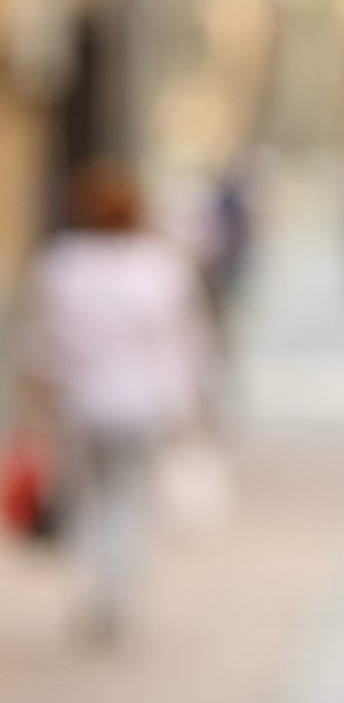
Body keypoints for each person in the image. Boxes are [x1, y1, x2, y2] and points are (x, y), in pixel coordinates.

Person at [17, 163, 216, 641]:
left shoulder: (63, 265)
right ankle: (120, 596)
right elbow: (186, 344)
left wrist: (41, 393)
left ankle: (99, 593)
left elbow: (42, 342)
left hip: (84, 403)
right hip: (143, 402)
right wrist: (191, 404)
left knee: (89, 499)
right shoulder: (160, 268)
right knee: (130, 501)